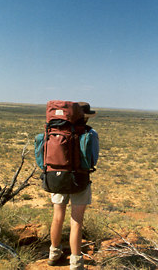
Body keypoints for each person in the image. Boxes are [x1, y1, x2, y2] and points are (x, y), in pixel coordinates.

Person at [48, 102, 99, 270]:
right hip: (79, 179)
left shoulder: (54, 131)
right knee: (76, 221)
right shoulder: (90, 133)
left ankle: (54, 252)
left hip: (57, 176)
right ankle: (76, 261)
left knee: (57, 217)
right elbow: (93, 159)